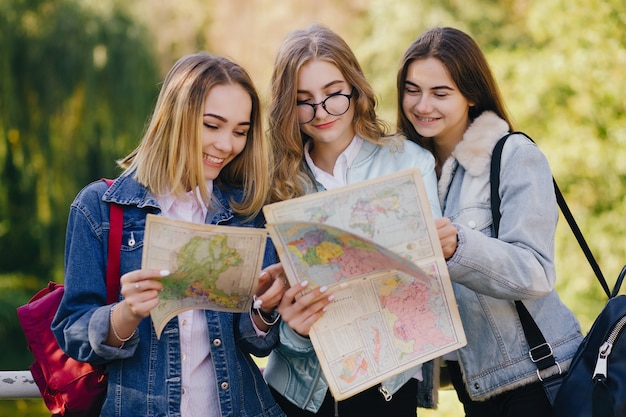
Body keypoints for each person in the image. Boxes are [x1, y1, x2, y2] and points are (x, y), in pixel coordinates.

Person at [52, 52, 287, 417]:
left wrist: (264, 307)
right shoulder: (98, 207)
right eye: (212, 125)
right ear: (176, 118)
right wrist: (126, 313)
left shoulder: (246, 212)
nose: (227, 145)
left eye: (240, 131)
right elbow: (72, 333)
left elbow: (257, 343)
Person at [397, 26, 583, 417]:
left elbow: (535, 271)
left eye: (440, 93)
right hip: (476, 392)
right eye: (412, 89)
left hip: (538, 379)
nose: (422, 105)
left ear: (472, 95)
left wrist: (458, 246)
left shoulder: (514, 155)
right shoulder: (412, 175)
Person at [263, 24, 442, 417]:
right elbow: (260, 313)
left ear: (356, 90)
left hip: (387, 387)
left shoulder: (410, 163)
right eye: (303, 100)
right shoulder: (272, 183)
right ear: (286, 107)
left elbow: (430, 285)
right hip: (298, 392)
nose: (321, 112)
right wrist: (292, 330)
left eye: (333, 94)